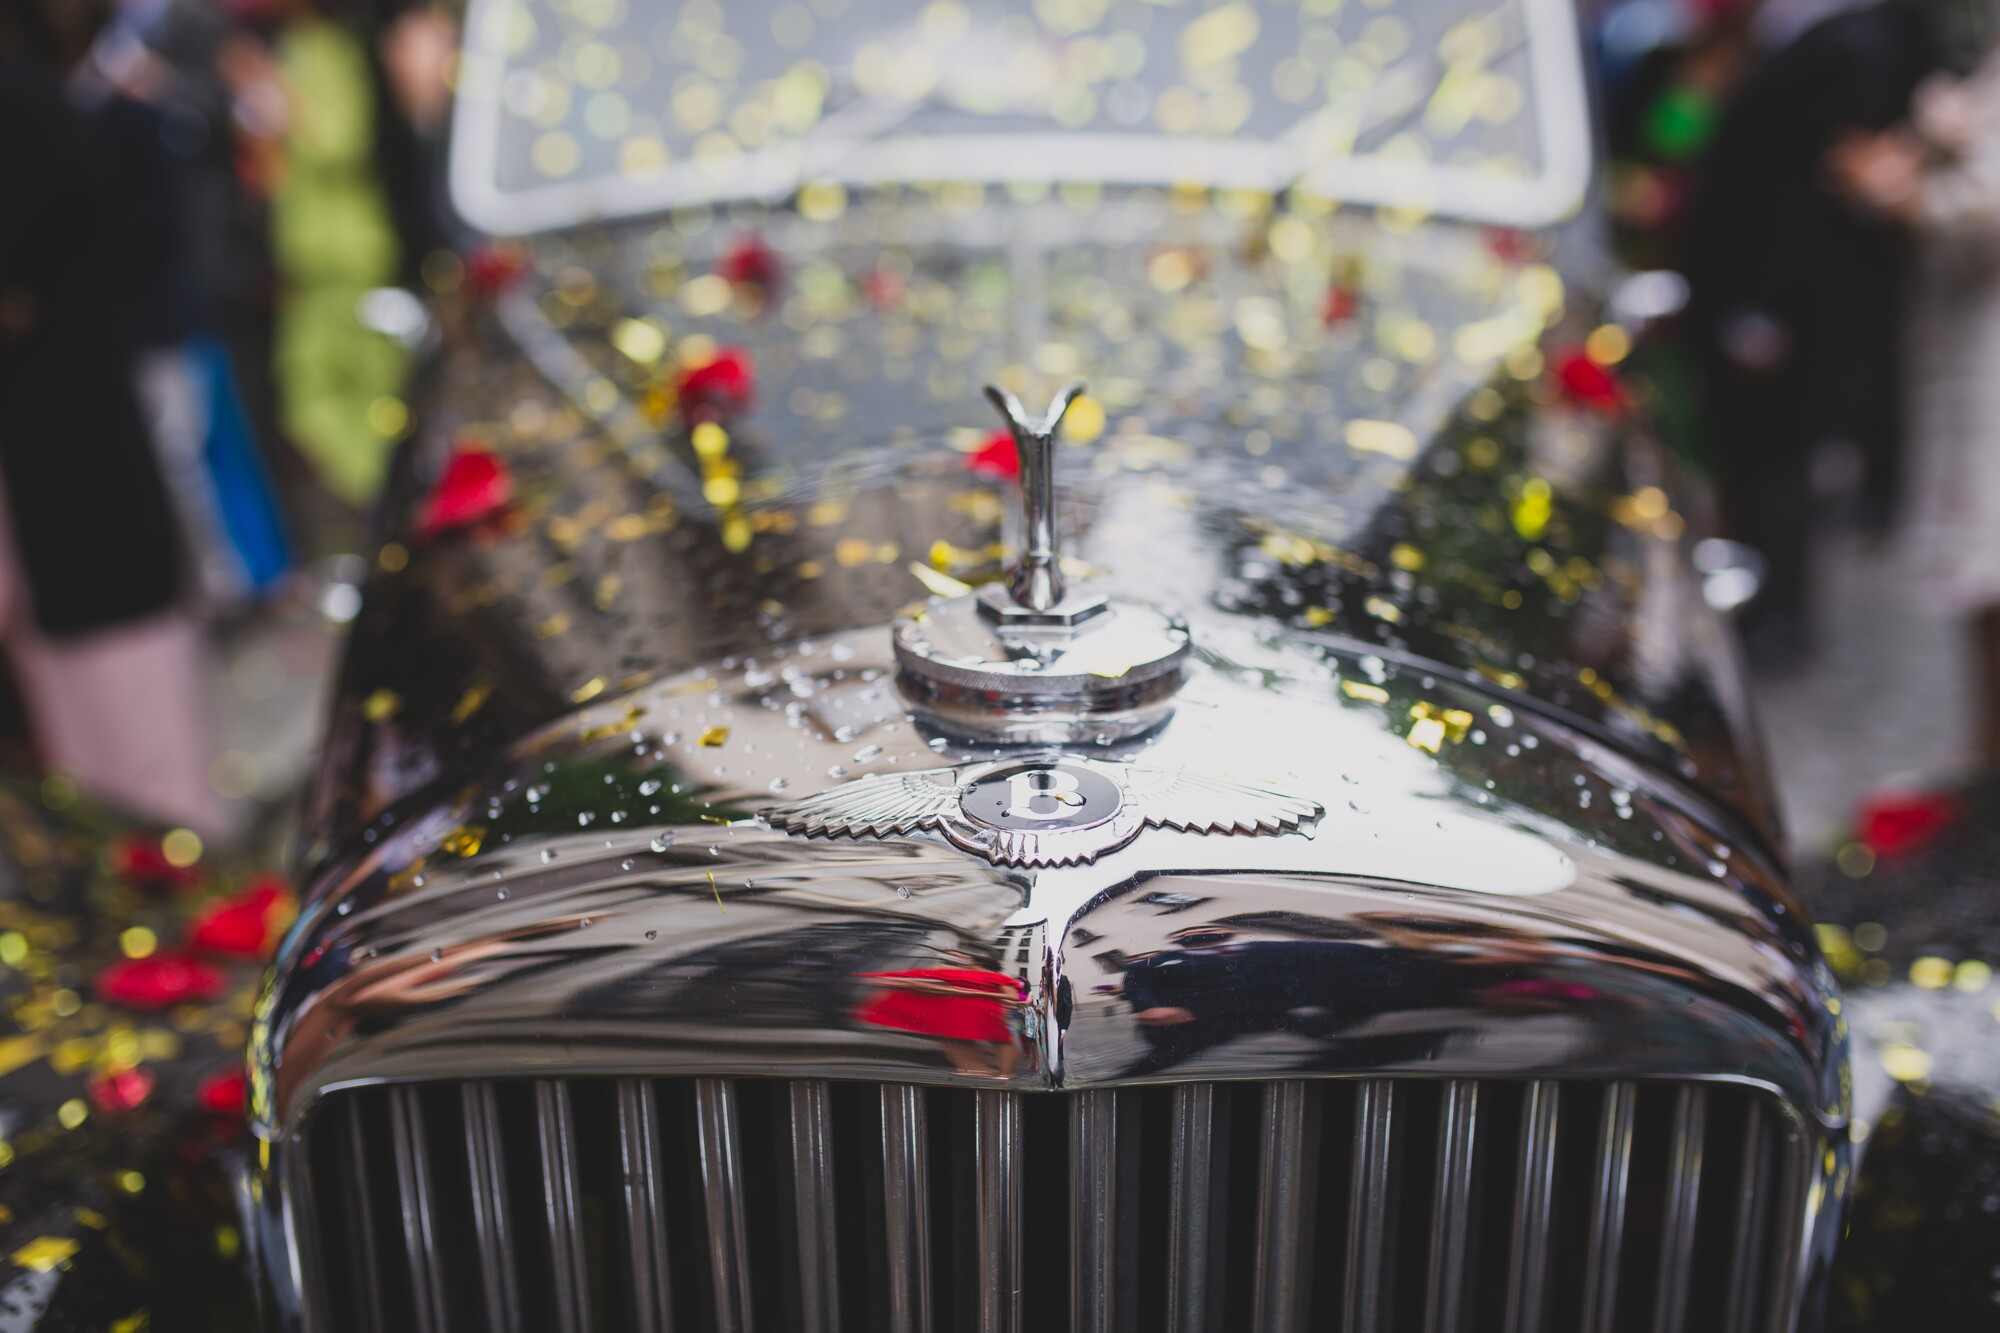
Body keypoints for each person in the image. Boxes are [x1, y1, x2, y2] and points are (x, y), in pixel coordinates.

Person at [0, 0, 226, 836]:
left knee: (145, 782)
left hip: (83, 512)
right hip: (73, 520)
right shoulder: (47, 111)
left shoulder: (36, 119)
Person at [1680, 0, 1940, 672]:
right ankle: (1763, 601)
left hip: (1787, 302)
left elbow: (1801, 195)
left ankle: (1777, 613)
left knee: (1776, 457)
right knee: (1763, 455)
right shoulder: (1823, 34)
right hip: (1770, 292)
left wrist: (1763, 308)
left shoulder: (1851, 43)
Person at [1836, 29, 2000, 782]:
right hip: (1960, 341)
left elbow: (1982, 217)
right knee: (1975, 566)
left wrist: (1907, 189)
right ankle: (1985, 741)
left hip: (1985, 347)